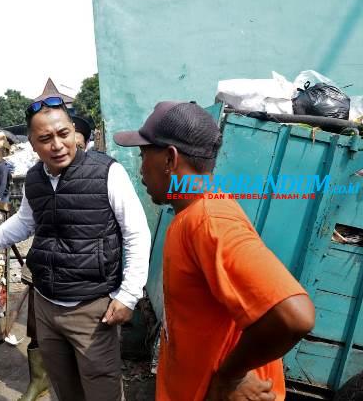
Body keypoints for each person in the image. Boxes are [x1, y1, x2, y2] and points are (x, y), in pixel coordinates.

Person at [113, 101, 315, 401]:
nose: (141, 168)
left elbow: (295, 316)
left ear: (170, 158)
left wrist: (230, 376)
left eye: (144, 155)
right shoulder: (191, 215)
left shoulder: (209, 220)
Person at [0, 95, 151, 401]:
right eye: (45, 139)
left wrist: (129, 295)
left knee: (102, 391)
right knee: (64, 389)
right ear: (32, 144)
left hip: (92, 308)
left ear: (73, 131)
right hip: (45, 305)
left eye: (63, 134)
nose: (57, 145)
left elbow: (136, 233)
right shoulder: (34, 179)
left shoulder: (107, 173)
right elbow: (26, 221)